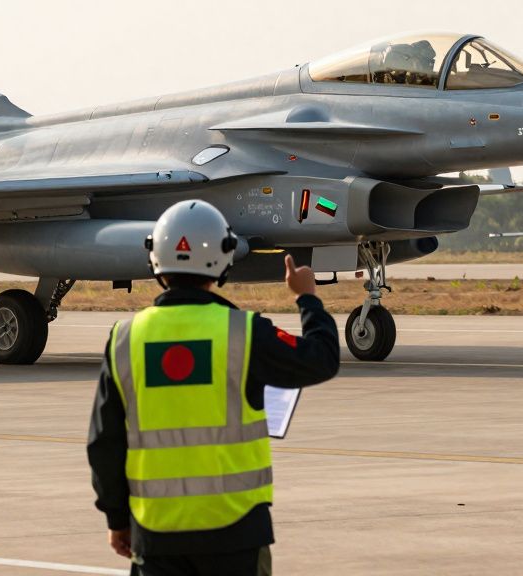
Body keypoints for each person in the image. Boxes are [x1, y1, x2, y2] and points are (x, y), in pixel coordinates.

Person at [87, 199, 340, 575]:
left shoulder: (125, 339)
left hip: (157, 534)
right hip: (236, 535)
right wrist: (307, 298)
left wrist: (117, 519)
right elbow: (321, 358)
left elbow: (104, 443)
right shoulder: (245, 332)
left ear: (155, 257)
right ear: (224, 258)